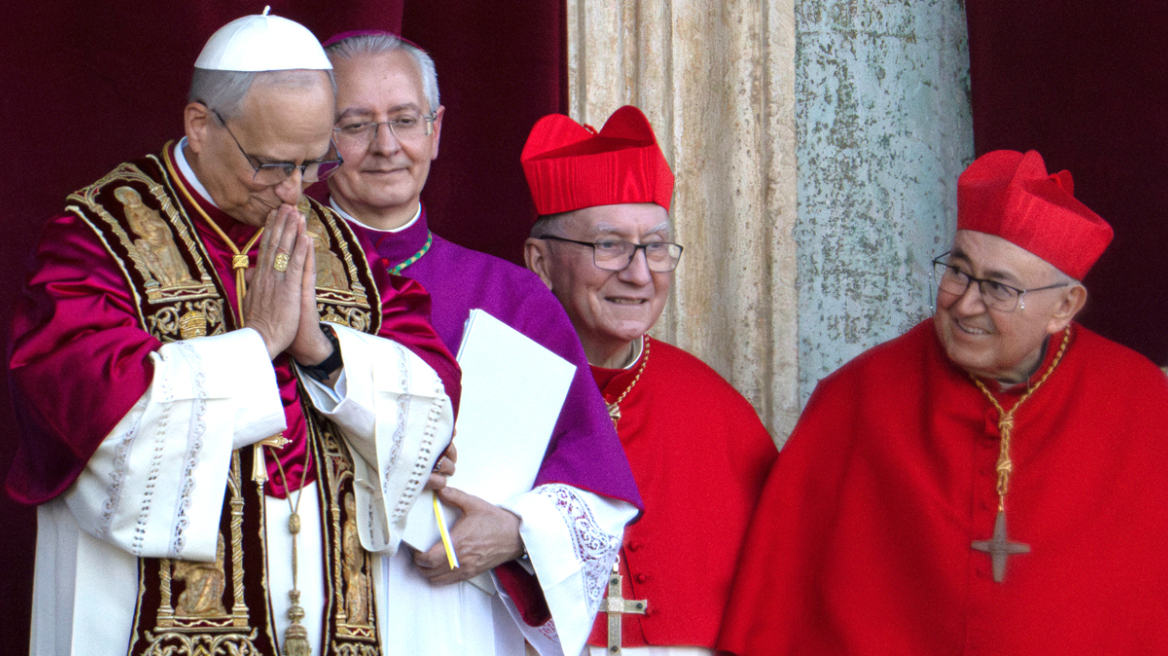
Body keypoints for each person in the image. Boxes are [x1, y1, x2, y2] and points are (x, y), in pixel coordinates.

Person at [6, 12, 462, 656]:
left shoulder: (337, 244)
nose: (293, 192)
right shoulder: (101, 238)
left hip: (328, 616)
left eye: (314, 164)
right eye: (272, 164)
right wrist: (258, 346)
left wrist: (321, 350)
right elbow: (88, 415)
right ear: (200, 125)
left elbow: (435, 396)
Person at [717, 150, 1168, 655]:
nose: (965, 304)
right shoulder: (857, 398)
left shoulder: (1142, 404)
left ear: (1064, 306)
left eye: (999, 288)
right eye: (958, 271)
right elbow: (778, 612)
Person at [320, 31, 643, 656]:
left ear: (436, 130)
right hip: (311, 598)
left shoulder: (512, 297)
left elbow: (596, 482)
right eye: (355, 125)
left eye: (405, 120)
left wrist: (517, 532)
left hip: (456, 617)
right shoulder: (274, 274)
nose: (386, 146)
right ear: (318, 137)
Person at [521, 105, 778, 656]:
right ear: (540, 262)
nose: (639, 274)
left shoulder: (719, 412)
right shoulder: (494, 390)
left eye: (655, 247)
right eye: (609, 245)